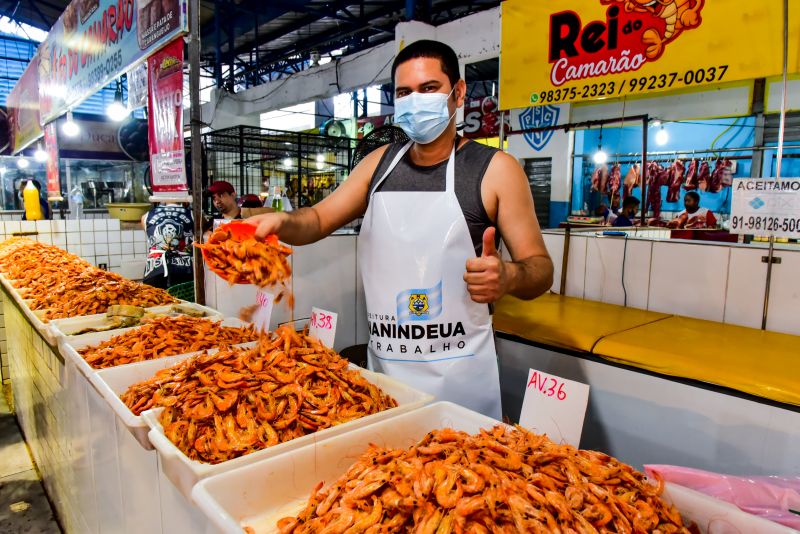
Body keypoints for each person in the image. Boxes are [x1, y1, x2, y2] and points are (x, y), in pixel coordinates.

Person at [246, 40, 553, 418]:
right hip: (387, 381)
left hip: (461, 386)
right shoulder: (378, 164)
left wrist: (508, 276)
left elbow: (540, 269)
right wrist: (281, 221)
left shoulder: (496, 169)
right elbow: (318, 220)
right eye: (404, 92)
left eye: (429, 89)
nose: (415, 100)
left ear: (457, 93)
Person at [141, 203, 194, 289]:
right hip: (184, 271)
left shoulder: (146, 216)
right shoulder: (193, 215)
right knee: (184, 301)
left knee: (155, 300)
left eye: (172, 230)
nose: (170, 233)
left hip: (154, 271)